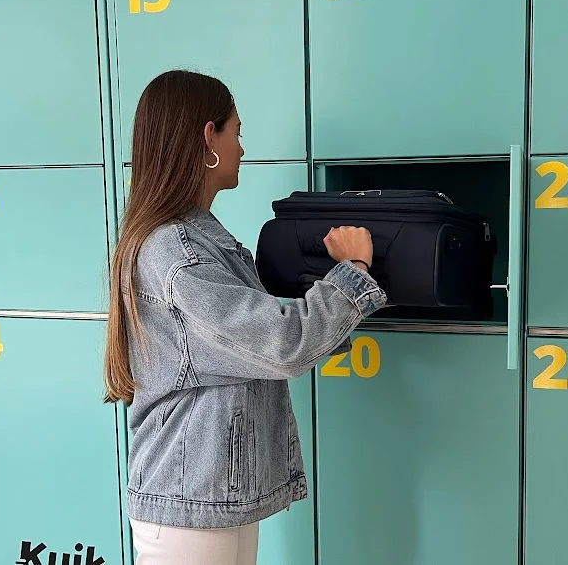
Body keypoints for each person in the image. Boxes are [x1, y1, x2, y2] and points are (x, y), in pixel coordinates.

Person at [102, 70, 387, 564]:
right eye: (236, 130)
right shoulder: (178, 250)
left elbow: (251, 341)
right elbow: (280, 343)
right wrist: (353, 270)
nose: (242, 146)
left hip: (209, 498)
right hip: (186, 502)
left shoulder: (198, 236)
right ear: (208, 136)